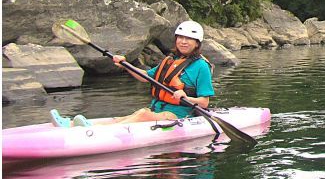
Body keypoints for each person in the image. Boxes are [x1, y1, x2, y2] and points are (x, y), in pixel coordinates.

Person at [50, 20, 214, 127]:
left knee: (142, 114)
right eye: (180, 38)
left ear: (196, 43)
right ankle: (70, 124)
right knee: (130, 116)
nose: (183, 42)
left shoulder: (201, 66)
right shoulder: (171, 60)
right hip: (158, 109)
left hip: (179, 115)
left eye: (188, 39)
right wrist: (125, 65)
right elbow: (145, 77)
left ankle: (94, 132)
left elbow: (204, 102)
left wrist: (186, 98)